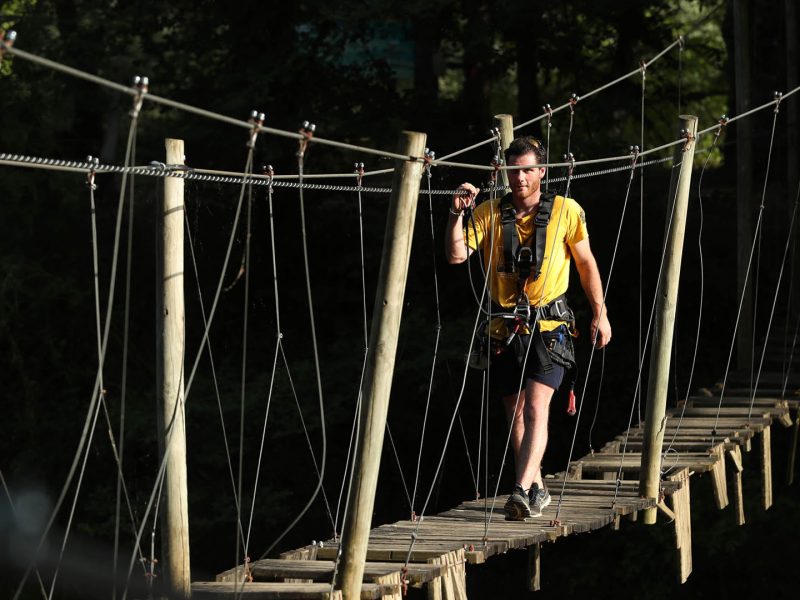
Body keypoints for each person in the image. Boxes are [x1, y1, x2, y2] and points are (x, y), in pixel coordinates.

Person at [445, 136, 611, 520]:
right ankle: (535, 487)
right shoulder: (487, 212)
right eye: (513, 170)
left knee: (536, 407)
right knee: (515, 412)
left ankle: (519, 489)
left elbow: (586, 264)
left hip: (550, 326)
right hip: (505, 329)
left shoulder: (566, 211)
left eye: (527, 170)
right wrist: (457, 213)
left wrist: (599, 313)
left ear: (541, 171)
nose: (520, 178)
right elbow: (456, 255)